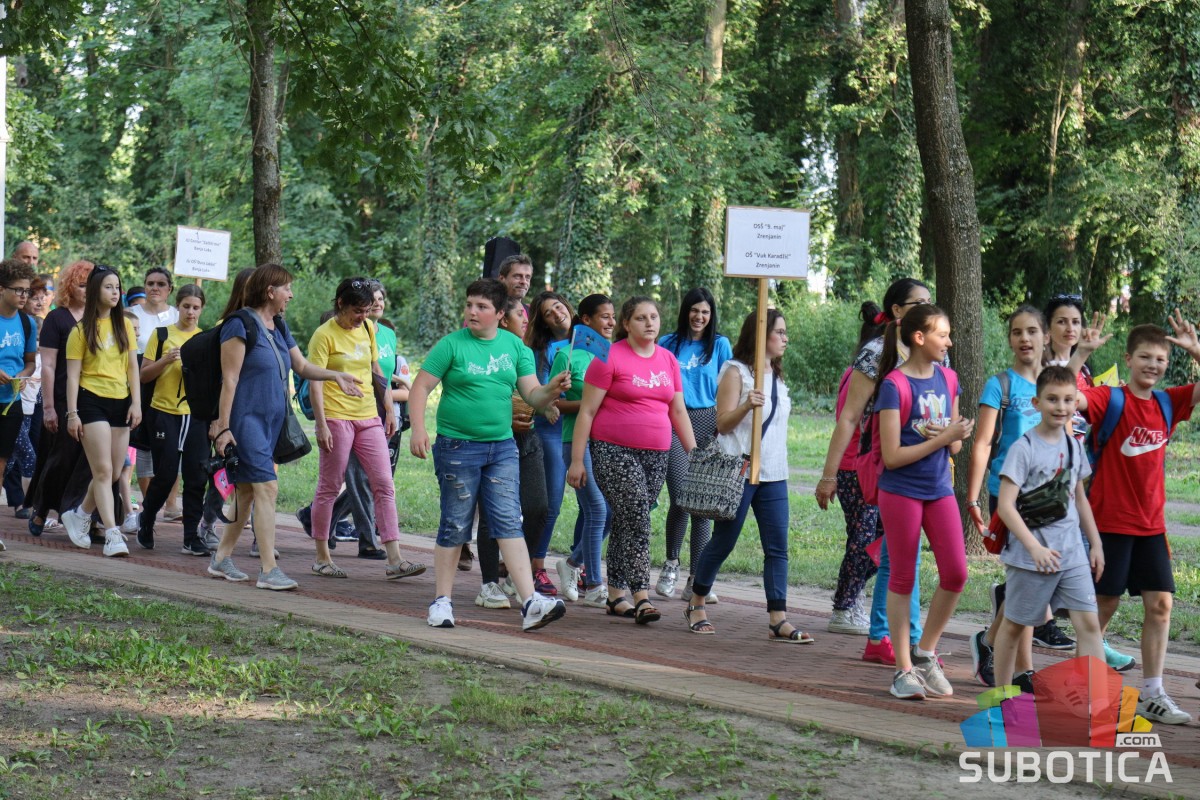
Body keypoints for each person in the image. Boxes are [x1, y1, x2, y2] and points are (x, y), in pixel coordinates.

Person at [408, 278, 569, 631]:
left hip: (502, 448)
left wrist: (552, 389)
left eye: (481, 306)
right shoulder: (451, 345)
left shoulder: (515, 347)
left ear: (499, 314)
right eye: (469, 304)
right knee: (455, 523)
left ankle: (530, 603)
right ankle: (441, 601)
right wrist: (418, 429)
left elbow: (533, 395)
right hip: (457, 447)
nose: (472, 311)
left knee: (509, 521)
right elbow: (420, 387)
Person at [1075, 314, 1200, 725]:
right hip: (1110, 523)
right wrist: (1081, 354)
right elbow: (1064, 394)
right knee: (1103, 607)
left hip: (1152, 527)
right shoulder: (1109, 399)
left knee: (1161, 605)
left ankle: (1152, 693)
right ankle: (1085, 693)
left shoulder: (1168, 402)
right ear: (1128, 359)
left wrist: (1196, 351)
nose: (1153, 364)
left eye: (1160, 359)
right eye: (1145, 357)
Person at [206, 264, 362, 590]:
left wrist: (335, 375)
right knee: (267, 488)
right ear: (270, 291)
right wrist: (222, 426)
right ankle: (268, 569)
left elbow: (301, 366)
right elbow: (229, 380)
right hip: (245, 421)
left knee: (247, 492)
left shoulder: (277, 325)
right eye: (286, 288)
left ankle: (221, 558)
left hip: (272, 422)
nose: (290, 295)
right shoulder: (238, 324)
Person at [814, 278, 929, 662]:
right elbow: (848, 419)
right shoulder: (874, 356)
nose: (927, 309)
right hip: (870, 466)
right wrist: (829, 475)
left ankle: (887, 632)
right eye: (917, 303)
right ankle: (858, 614)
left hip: (915, 467)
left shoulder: (932, 353)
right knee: (874, 543)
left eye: (929, 302)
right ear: (897, 311)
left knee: (897, 551)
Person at [681, 309, 809, 642]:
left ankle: (778, 617)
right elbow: (722, 423)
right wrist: (746, 405)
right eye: (779, 332)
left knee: (777, 547)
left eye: (785, 332)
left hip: (774, 472)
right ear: (760, 334)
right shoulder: (736, 371)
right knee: (724, 540)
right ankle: (696, 602)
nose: (785, 338)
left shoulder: (776, 375)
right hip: (739, 469)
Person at [568, 296, 697, 624]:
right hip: (613, 451)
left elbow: (678, 410)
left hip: (657, 454)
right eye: (641, 318)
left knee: (628, 519)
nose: (649, 323)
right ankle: (641, 595)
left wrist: (694, 454)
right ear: (626, 324)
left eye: (653, 316)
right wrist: (577, 460)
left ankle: (615, 596)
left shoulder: (668, 360)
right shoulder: (609, 357)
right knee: (638, 518)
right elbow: (587, 411)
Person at [874, 304, 972, 700]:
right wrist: (941, 438)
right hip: (900, 491)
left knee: (957, 573)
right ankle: (903, 671)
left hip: (939, 488)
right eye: (942, 335)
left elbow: (955, 445)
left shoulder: (949, 378)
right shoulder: (893, 385)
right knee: (903, 577)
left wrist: (952, 434)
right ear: (919, 338)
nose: (949, 342)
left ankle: (925, 653)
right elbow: (892, 456)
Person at [992, 366, 1105, 689]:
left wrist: (1095, 544)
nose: (1061, 407)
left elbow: (1079, 499)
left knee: (1089, 625)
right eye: (1052, 399)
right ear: (1036, 402)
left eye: (1068, 400)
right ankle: (1001, 697)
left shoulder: (1073, 446)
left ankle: (1098, 705)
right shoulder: (1023, 448)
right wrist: (1034, 548)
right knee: (1013, 627)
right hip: (1031, 558)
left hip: (1072, 554)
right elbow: (1005, 506)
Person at [305, 277, 426, 582]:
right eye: (357, 311)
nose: (362, 317)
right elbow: (315, 382)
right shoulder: (324, 335)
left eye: (367, 311)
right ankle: (322, 557)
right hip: (336, 418)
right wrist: (321, 424)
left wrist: (388, 408)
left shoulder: (369, 328)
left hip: (368, 416)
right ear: (341, 304)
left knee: (384, 483)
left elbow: (376, 370)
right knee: (330, 485)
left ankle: (395, 559)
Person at [964, 306, 1046, 687]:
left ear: (1045, 336)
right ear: (1010, 339)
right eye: (1017, 332)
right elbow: (982, 444)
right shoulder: (1000, 385)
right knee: (1027, 576)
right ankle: (1021, 668)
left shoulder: (1056, 382)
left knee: (1031, 578)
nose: (1024, 339)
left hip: (1049, 496)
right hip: (1009, 495)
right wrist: (973, 498)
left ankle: (991, 643)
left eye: (1032, 331)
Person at [655, 287, 733, 602]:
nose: (699, 317)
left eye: (705, 312)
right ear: (685, 311)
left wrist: (724, 427)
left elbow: (729, 385)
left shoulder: (720, 345)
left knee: (703, 503)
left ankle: (697, 579)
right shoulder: (668, 343)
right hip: (675, 421)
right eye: (695, 310)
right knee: (681, 495)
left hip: (708, 422)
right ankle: (671, 563)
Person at [474, 296, 550, 610]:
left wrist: (550, 399)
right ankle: (489, 583)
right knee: (492, 514)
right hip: (491, 439)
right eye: (521, 314)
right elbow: (478, 396)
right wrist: (506, 419)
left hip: (527, 440)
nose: (527, 319)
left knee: (538, 508)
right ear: (504, 319)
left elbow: (533, 395)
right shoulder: (482, 349)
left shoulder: (526, 352)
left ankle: (518, 577)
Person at [62, 266, 141, 558]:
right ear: (96, 291)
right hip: (90, 401)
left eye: (117, 287)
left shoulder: (125, 327)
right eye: (109, 287)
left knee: (114, 471)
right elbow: (72, 376)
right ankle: (112, 533)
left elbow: (132, 368)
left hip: (120, 401)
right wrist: (72, 414)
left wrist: (136, 402)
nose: (115, 292)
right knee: (104, 470)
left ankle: (80, 514)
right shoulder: (80, 331)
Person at [135, 284, 215, 555]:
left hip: (195, 416)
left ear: (202, 309)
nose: (191, 312)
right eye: (186, 306)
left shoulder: (206, 339)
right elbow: (144, 375)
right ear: (177, 307)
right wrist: (166, 360)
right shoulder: (162, 335)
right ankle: (147, 518)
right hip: (164, 413)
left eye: (196, 307)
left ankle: (191, 537)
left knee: (196, 476)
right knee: (167, 474)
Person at [551, 294, 616, 606]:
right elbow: (554, 404)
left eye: (613, 316)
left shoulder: (613, 355)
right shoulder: (566, 355)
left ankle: (572, 563)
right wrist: (590, 403)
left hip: (609, 442)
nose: (611, 322)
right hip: (575, 441)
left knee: (612, 511)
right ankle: (594, 586)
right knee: (597, 509)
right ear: (586, 320)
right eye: (604, 316)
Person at [26, 260, 94, 537]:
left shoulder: (100, 319)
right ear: (69, 287)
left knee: (91, 462)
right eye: (82, 285)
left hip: (95, 398)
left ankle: (89, 517)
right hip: (63, 398)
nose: (87, 290)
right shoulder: (57, 318)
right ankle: (42, 508)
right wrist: (49, 407)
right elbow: (49, 365)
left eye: (91, 285)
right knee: (61, 458)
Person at [525, 290, 573, 595]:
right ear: (542, 322)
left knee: (599, 506)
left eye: (558, 306)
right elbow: (537, 394)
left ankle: (579, 563)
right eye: (548, 313)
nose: (557, 314)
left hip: (588, 429)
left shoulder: (590, 342)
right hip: (552, 430)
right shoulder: (539, 351)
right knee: (551, 503)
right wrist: (547, 405)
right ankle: (535, 566)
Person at [128, 267, 181, 518]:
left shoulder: (177, 315)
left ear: (170, 289)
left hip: (171, 385)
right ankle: (150, 504)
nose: (155, 288)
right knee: (144, 444)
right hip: (140, 382)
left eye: (161, 284)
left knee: (172, 445)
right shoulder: (132, 314)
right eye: (150, 283)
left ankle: (171, 504)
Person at [0, 260, 39, 495]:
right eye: (18, 290)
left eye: (27, 291)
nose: (24, 296)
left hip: (11, 402)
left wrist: (23, 376)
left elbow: (30, 362)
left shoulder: (27, 323)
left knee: (2, 463)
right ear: (1, 289)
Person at [9, 277, 48, 518]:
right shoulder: (15, 325)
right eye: (34, 297)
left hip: (32, 407)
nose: (38, 302)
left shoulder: (34, 327)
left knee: (14, 458)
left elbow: (33, 365)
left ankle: (26, 503)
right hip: (13, 404)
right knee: (24, 456)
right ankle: (24, 504)